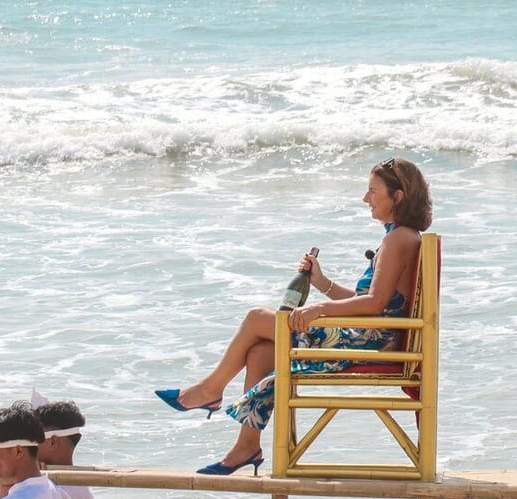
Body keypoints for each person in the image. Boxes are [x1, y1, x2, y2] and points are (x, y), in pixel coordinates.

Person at [155, 158, 433, 475]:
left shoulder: (397, 239)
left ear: (397, 197)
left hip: (368, 341)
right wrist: (322, 283)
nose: (365, 199)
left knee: (257, 317)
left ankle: (210, 390)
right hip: (373, 335)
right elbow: (372, 302)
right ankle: (247, 445)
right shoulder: (403, 237)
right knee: (261, 351)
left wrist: (319, 309)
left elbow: (372, 304)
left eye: (372, 191)